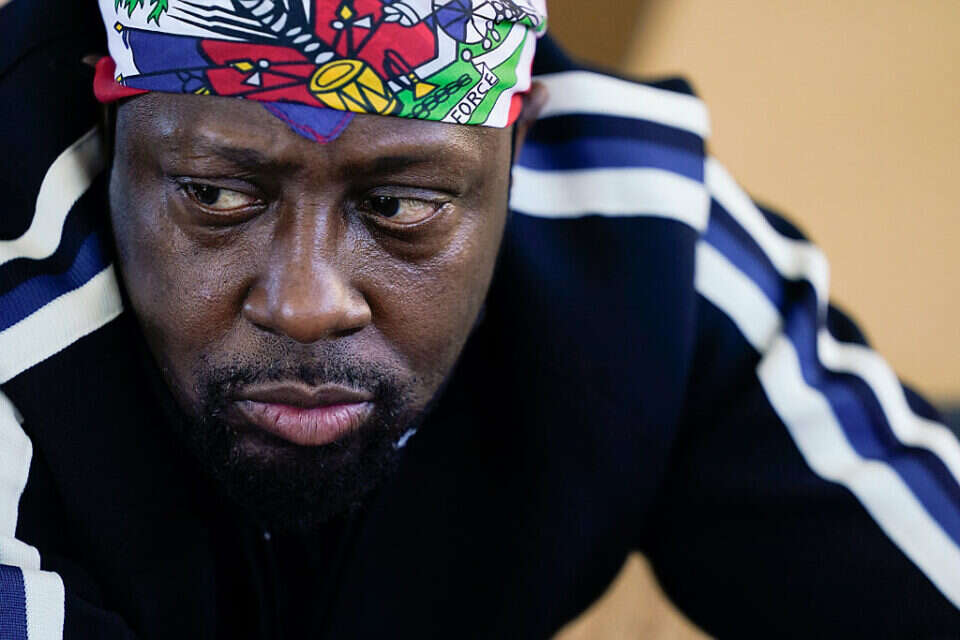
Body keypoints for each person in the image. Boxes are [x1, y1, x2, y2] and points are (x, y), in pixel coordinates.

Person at [1, 0, 958, 638]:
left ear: (516, 144)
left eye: (400, 206)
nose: (306, 304)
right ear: (110, 124)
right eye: (215, 194)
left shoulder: (641, 244)